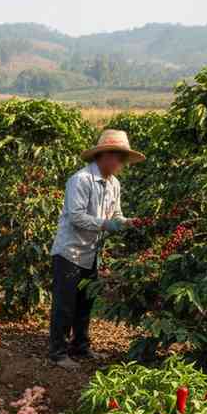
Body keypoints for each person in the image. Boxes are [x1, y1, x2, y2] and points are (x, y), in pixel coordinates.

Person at [49, 129, 144, 369]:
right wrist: (106, 224)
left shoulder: (114, 184)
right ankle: (57, 352)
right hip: (69, 252)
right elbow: (76, 217)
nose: (121, 164)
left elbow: (117, 215)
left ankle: (80, 346)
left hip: (91, 253)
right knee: (65, 303)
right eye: (119, 158)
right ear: (104, 156)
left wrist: (127, 223)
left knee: (85, 302)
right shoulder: (80, 180)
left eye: (123, 159)